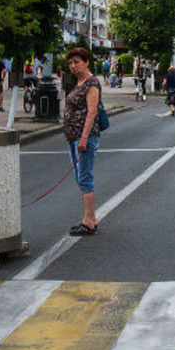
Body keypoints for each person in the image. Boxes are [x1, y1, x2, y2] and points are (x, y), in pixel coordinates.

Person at [62, 48, 102, 237]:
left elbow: (92, 112)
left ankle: (88, 221)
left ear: (87, 62)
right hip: (73, 135)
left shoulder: (92, 83)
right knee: (80, 177)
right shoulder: (78, 82)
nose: (73, 66)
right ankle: (91, 218)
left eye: (77, 62)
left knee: (85, 177)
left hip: (83, 136)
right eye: (70, 63)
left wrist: (84, 138)